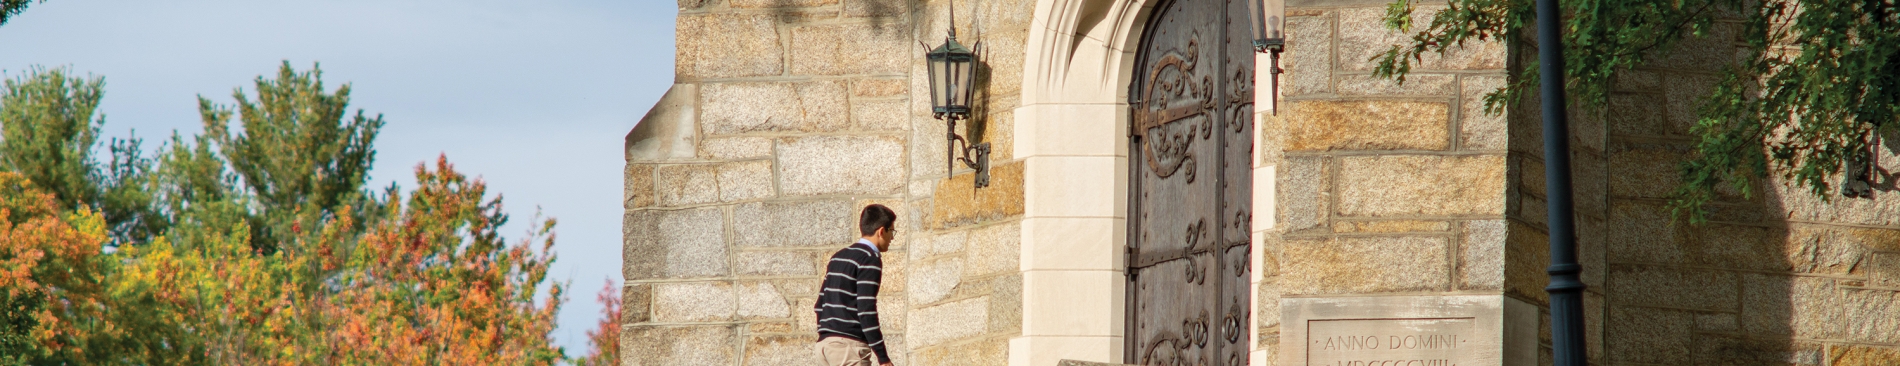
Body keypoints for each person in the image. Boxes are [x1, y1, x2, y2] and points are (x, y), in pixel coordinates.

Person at [812, 204, 896, 366]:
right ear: (881, 231)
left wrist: (828, 335)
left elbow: (819, 305)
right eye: (891, 231)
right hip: (848, 348)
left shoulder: (838, 257)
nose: (892, 237)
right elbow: (866, 309)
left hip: (824, 348)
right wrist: (883, 357)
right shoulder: (869, 258)